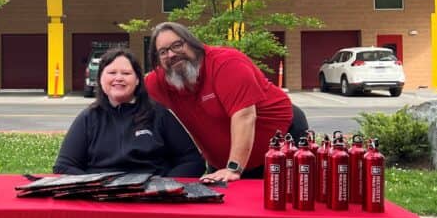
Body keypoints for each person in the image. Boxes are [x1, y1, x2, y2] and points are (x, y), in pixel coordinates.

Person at [145, 23, 309, 182]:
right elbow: (133, 95)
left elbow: (245, 116)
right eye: (163, 52)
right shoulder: (159, 82)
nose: (171, 54)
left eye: (177, 45)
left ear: (193, 43)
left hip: (281, 142)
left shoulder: (226, 63)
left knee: (285, 198)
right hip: (224, 163)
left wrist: (233, 168)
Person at [54, 47, 204, 177]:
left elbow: (193, 161)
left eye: (126, 73)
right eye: (112, 72)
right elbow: (64, 166)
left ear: (137, 80)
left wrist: (164, 186)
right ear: (100, 79)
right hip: (102, 195)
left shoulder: (159, 114)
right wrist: (94, 187)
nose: (118, 78)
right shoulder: (88, 118)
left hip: (150, 194)